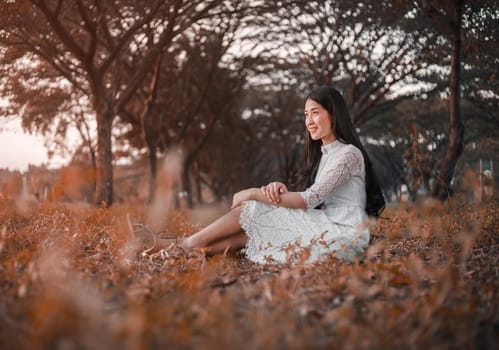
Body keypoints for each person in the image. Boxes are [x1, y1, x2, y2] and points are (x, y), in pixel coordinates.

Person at [132, 85, 385, 264]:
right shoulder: (325, 153)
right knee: (252, 229)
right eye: (306, 114)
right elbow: (309, 196)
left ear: (334, 113)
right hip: (327, 225)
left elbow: (309, 199)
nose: (308, 120)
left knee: (252, 209)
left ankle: (179, 245)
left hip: (343, 235)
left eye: (315, 112)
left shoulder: (349, 154)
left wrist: (254, 193)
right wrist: (276, 187)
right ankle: (183, 250)